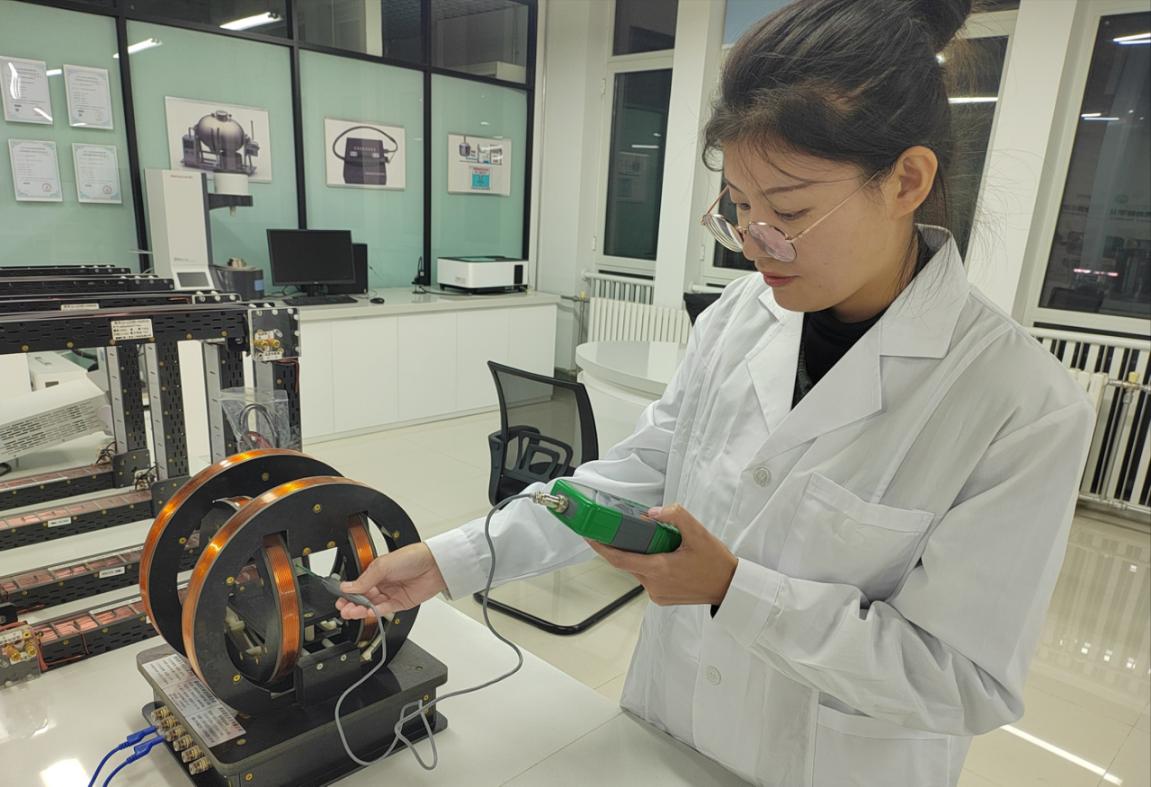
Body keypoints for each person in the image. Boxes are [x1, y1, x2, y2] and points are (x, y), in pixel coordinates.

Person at [338, 0, 1096, 784]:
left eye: (788, 211)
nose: (754, 245)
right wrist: (454, 557)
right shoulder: (741, 315)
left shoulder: (1019, 404)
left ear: (905, 180)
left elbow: (959, 679)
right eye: (738, 207)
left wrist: (735, 591)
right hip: (662, 736)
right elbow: (636, 481)